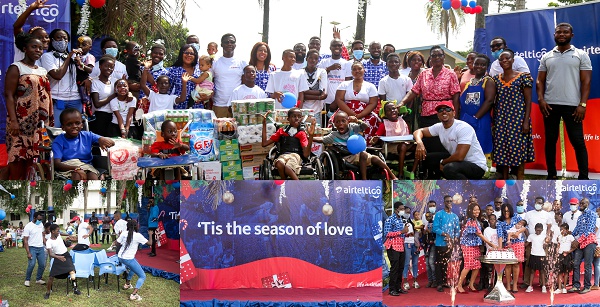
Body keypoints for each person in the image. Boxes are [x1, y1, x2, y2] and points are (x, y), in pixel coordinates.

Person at [537, 23, 592, 180]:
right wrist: (541, 100)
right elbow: (540, 81)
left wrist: (582, 104)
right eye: (558, 32)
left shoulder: (581, 55)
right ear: (554, 35)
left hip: (573, 106)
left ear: (571, 35)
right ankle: (551, 175)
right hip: (550, 106)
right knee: (550, 142)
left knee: (578, 142)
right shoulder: (547, 56)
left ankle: (584, 177)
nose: (561, 34)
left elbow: (586, 82)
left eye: (565, 32)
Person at [5, 34, 52, 180]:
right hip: (20, 121)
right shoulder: (16, 67)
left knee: (35, 160)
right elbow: (9, 95)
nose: (38, 50)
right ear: (25, 49)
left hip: (40, 123)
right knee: (17, 158)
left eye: (40, 48)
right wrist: (13, 120)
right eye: (34, 47)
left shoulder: (43, 70)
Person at [400, 46, 460, 156]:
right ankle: (428, 171)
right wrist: (402, 103)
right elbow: (414, 91)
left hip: (444, 113)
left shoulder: (451, 74)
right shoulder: (424, 74)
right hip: (426, 114)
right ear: (430, 58)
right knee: (428, 143)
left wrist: (455, 116)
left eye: (439, 55)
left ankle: (442, 168)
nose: (437, 57)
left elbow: (456, 96)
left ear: (444, 57)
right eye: (434, 55)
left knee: (442, 143)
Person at [413, 101, 487, 179]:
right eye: (440, 110)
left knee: (449, 168)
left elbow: (459, 156)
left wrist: (443, 162)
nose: (444, 111)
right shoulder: (439, 127)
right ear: (438, 115)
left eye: (448, 109)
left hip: (476, 166)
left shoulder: (463, 128)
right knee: (428, 158)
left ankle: (467, 188)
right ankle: (435, 184)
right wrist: (419, 142)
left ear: (454, 113)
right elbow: (418, 131)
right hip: (459, 162)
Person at [313, 111, 397, 180]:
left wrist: (357, 121)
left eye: (343, 121)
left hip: (359, 154)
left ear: (348, 121)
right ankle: (364, 181)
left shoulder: (353, 127)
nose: (340, 124)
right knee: (364, 154)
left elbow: (365, 127)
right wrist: (310, 137)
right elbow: (321, 139)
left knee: (375, 158)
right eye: (337, 122)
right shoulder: (334, 135)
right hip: (347, 158)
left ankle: (393, 176)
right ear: (334, 124)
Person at [492, 49, 535, 179]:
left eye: (507, 58)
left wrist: (526, 120)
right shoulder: (495, 79)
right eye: (501, 59)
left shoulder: (523, 77)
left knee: (519, 150)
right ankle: (505, 179)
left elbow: (528, 101)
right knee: (502, 150)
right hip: (501, 120)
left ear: (513, 60)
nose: (504, 61)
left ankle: (519, 179)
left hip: (518, 120)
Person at [51, 108, 115, 179]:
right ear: (63, 127)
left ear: (82, 125)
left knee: (92, 176)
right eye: (69, 124)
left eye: (77, 123)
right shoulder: (58, 141)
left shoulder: (87, 135)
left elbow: (112, 143)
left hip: (87, 166)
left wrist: (102, 139)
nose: (74, 126)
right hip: (68, 167)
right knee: (77, 175)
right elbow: (57, 164)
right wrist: (76, 168)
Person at [40, 28, 82, 127]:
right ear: (52, 40)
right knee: (56, 130)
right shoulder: (47, 56)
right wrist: (69, 57)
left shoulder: (73, 56)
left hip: (75, 99)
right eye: (58, 38)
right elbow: (57, 75)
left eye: (65, 38)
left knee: (75, 129)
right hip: (57, 98)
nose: (62, 41)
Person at [331, 61, 381, 142]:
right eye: (354, 69)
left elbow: (373, 103)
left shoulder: (370, 86)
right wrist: (351, 114)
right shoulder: (344, 84)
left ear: (364, 70)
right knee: (337, 121)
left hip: (365, 113)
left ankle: (367, 145)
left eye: (359, 69)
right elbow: (339, 100)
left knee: (371, 122)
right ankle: (340, 143)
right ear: (351, 72)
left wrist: (359, 115)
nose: (357, 71)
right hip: (346, 113)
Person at [260, 108, 315, 180]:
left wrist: (311, 136)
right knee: (279, 164)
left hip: (296, 156)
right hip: (283, 155)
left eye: (299, 116)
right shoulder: (281, 131)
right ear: (288, 119)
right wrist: (264, 123)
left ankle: (298, 185)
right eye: (294, 116)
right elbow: (264, 144)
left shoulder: (301, 133)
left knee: (288, 168)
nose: (297, 118)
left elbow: (306, 154)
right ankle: (284, 181)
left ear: (301, 118)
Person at [458, 54, 494, 160]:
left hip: (480, 120)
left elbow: (489, 101)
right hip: (467, 119)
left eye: (483, 65)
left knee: (481, 143)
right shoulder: (469, 83)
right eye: (477, 64)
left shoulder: (488, 81)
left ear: (487, 66)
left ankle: (482, 170)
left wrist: (475, 118)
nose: (479, 66)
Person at [457, 203, 499, 293]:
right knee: (468, 265)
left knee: (477, 266)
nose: (477, 211)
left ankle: (471, 285)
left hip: (475, 245)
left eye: (478, 210)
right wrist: (491, 244)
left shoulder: (476, 220)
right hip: (468, 246)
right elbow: (479, 234)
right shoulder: (470, 221)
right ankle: (459, 285)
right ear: (470, 211)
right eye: (475, 210)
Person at [370, 101, 415, 179]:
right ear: (386, 114)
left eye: (394, 108)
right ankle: (400, 174)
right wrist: (375, 139)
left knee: (419, 147)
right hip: (390, 147)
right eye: (388, 110)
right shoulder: (384, 125)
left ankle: (413, 172)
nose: (392, 111)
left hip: (404, 145)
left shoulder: (404, 123)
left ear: (397, 110)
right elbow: (375, 139)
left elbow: (409, 136)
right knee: (403, 146)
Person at [213, 33, 247, 118]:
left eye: (232, 42)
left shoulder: (242, 62)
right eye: (226, 42)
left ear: (235, 45)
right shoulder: (215, 62)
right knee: (219, 131)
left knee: (238, 131)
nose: (229, 44)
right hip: (219, 105)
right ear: (221, 44)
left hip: (237, 105)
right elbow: (209, 82)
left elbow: (245, 83)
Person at [570, 198, 598, 294]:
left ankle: (587, 286)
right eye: (580, 203)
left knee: (587, 265)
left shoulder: (592, 214)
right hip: (580, 243)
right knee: (576, 264)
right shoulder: (580, 217)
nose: (581, 204)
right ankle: (576, 286)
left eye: (583, 203)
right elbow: (576, 230)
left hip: (589, 243)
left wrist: (577, 241)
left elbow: (589, 231)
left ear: (588, 204)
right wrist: (568, 237)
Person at [44, 224, 80, 299]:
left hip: (66, 256)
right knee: (51, 276)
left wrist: (69, 235)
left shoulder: (59, 235)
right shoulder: (49, 242)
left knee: (72, 271)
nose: (59, 232)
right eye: (57, 231)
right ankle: (47, 292)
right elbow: (50, 254)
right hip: (58, 257)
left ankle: (75, 288)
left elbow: (63, 234)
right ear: (53, 231)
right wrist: (59, 257)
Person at [432, 195, 460, 292]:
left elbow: (457, 230)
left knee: (446, 263)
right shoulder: (439, 214)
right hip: (440, 244)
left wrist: (455, 238)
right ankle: (439, 283)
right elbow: (435, 228)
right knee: (439, 263)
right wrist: (445, 234)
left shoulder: (455, 216)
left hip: (450, 245)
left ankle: (444, 281)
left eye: (450, 201)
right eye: (447, 201)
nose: (449, 203)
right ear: (444, 202)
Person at [117, 220, 150, 301]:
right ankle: (133, 294)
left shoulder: (124, 233)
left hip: (120, 257)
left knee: (134, 265)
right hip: (128, 259)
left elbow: (118, 243)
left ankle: (127, 284)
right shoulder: (138, 235)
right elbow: (150, 244)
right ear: (136, 226)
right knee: (142, 276)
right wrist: (150, 234)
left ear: (127, 226)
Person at [318, 39, 351, 116]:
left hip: (341, 102)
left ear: (342, 48)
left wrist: (337, 101)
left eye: (339, 45)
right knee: (325, 126)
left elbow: (347, 84)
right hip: (324, 101)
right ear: (330, 47)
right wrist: (329, 69)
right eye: (334, 45)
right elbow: (318, 78)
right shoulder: (323, 62)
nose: (337, 47)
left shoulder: (347, 63)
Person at [497, 203, 525, 293]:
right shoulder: (500, 221)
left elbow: (524, 227)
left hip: (518, 244)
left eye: (508, 211)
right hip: (507, 244)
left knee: (516, 264)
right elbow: (500, 235)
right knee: (508, 265)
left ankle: (515, 285)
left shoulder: (516, 216)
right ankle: (508, 285)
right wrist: (500, 248)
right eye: (504, 211)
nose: (506, 213)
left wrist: (518, 232)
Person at [90, 55, 120, 136]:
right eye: (106, 66)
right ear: (100, 66)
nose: (109, 69)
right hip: (101, 116)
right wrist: (114, 95)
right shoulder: (95, 82)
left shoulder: (115, 81)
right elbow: (97, 104)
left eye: (112, 67)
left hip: (114, 116)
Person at [384, 201, 409, 296]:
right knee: (394, 268)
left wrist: (405, 233)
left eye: (403, 209)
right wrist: (401, 232)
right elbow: (387, 234)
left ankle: (398, 287)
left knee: (400, 268)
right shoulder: (390, 220)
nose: (403, 211)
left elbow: (401, 233)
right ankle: (392, 289)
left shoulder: (400, 219)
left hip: (401, 246)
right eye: (401, 209)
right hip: (392, 246)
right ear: (396, 209)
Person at [167, 44, 202, 109]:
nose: (189, 55)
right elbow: (167, 90)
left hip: (197, 107)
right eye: (186, 52)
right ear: (181, 54)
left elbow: (208, 84)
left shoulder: (199, 70)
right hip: (179, 108)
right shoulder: (173, 70)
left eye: (191, 53)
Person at [401, 51, 426, 133]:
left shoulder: (425, 73)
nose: (416, 62)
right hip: (410, 104)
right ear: (409, 62)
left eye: (419, 60)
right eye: (414, 60)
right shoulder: (407, 75)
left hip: (421, 104)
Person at [302, 50, 328, 126]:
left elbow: (322, 92)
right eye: (310, 58)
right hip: (302, 109)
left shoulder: (322, 72)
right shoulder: (300, 72)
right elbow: (299, 93)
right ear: (306, 59)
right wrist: (319, 97)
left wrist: (304, 94)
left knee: (316, 134)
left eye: (316, 58)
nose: (313, 60)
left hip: (317, 109)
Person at [525, 223, 551, 293]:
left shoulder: (544, 236)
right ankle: (530, 286)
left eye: (540, 230)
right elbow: (526, 243)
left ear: (542, 230)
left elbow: (547, 242)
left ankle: (543, 286)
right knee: (532, 271)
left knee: (542, 271)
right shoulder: (531, 236)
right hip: (533, 255)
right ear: (534, 229)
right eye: (537, 230)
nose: (538, 232)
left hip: (542, 255)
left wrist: (547, 243)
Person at [74, 36, 95, 118]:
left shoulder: (89, 57)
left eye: (84, 45)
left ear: (90, 47)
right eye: (78, 45)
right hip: (75, 80)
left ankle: (87, 112)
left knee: (84, 97)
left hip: (83, 79)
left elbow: (89, 70)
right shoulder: (76, 55)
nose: (80, 47)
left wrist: (80, 63)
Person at [23, 211, 46, 287]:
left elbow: (42, 235)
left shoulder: (41, 224)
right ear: (34, 218)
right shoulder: (28, 226)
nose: (40, 221)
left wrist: (46, 244)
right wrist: (28, 252)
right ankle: (27, 279)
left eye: (41, 219)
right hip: (32, 248)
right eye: (39, 219)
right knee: (32, 264)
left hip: (41, 248)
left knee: (42, 264)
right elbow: (25, 240)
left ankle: (38, 279)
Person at [401, 207, 419, 290]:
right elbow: (400, 233)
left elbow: (416, 234)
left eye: (409, 212)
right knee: (406, 263)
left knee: (415, 263)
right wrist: (407, 234)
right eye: (406, 212)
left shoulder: (411, 222)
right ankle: (405, 281)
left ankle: (415, 280)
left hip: (414, 244)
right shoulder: (400, 222)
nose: (408, 213)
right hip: (406, 244)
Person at [556, 223, 576, 294]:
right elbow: (558, 245)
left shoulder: (570, 237)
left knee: (566, 271)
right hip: (560, 255)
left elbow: (575, 245)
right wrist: (557, 252)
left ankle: (564, 287)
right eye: (561, 229)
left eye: (563, 230)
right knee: (559, 272)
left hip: (567, 256)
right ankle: (559, 288)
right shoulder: (559, 237)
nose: (562, 231)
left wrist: (569, 251)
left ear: (567, 230)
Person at [482, 213, 498, 290]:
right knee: (490, 270)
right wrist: (493, 247)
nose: (492, 221)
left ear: (496, 220)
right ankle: (489, 285)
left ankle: (496, 284)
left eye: (493, 219)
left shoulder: (499, 229)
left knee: (497, 270)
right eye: (490, 219)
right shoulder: (487, 230)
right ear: (488, 221)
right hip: (490, 252)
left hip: (498, 253)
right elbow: (488, 242)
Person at [423, 203, 437, 288]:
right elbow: (423, 235)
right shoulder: (425, 225)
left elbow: (435, 233)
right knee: (427, 264)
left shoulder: (435, 224)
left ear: (432, 216)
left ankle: (435, 280)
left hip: (433, 244)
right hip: (426, 245)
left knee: (432, 262)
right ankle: (430, 280)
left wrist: (430, 232)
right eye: (427, 217)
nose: (428, 218)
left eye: (430, 216)